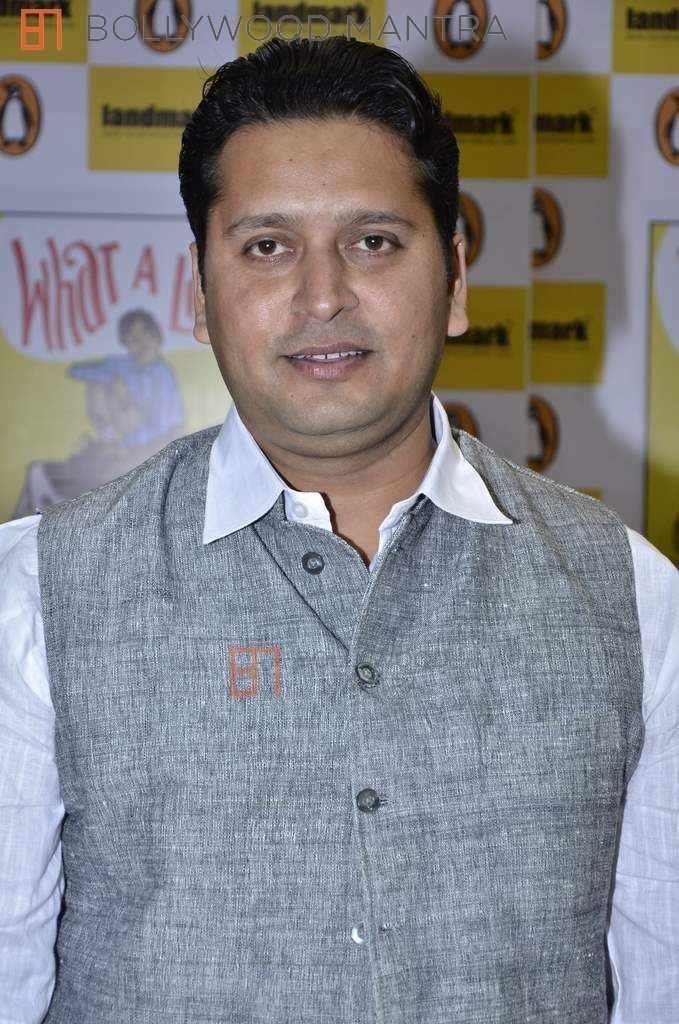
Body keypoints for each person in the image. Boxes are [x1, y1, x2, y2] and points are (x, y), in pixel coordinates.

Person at [0, 34, 677, 1024]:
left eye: (373, 242)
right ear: (199, 292)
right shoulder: (36, 597)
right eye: (266, 246)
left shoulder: (633, 598)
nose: (322, 297)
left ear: (454, 279)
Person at [11, 308, 185, 519]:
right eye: (132, 340)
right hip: (119, 448)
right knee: (40, 473)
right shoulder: (123, 366)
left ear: (156, 337)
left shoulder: (163, 376)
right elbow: (77, 371)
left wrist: (132, 449)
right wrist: (113, 381)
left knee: (101, 478)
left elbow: (169, 430)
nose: (139, 345)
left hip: (143, 455)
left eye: (144, 336)